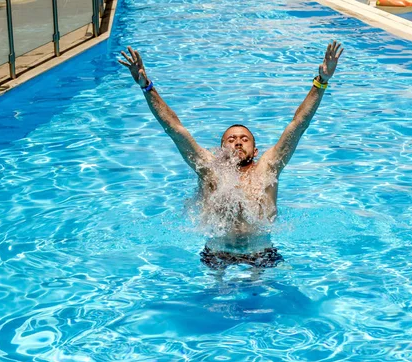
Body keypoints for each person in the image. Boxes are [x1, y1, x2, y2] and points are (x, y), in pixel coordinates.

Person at [118, 41, 344, 268]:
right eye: (231, 139)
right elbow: (174, 129)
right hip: (217, 253)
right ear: (220, 148)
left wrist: (321, 82)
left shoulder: (268, 167)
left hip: (261, 252)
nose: (237, 142)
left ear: (255, 151)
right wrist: (146, 86)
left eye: (244, 139)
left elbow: (298, 125)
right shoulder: (209, 167)